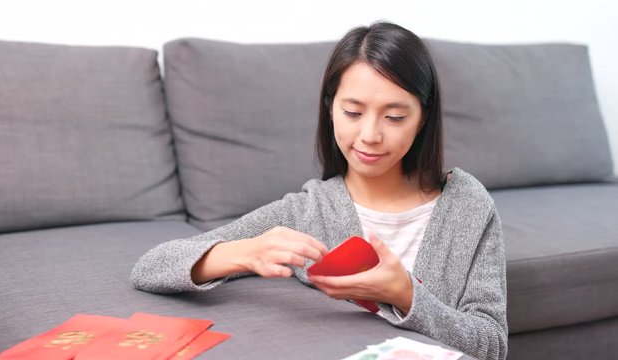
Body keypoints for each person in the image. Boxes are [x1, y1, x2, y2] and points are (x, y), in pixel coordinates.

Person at [131, 21, 507, 360]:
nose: (370, 136)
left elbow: (491, 344)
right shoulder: (306, 213)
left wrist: (406, 295)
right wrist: (243, 252)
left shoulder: (467, 204)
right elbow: (149, 268)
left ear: (423, 117)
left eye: (394, 117)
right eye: (353, 113)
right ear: (330, 109)